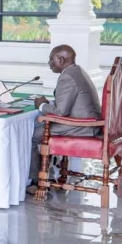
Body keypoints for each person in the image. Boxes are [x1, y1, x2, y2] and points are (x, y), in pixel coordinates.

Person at [29, 45, 102, 193]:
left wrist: (41, 105)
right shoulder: (77, 71)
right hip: (89, 123)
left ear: (61, 59)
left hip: (82, 126)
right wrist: (49, 104)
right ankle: (48, 174)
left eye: (51, 59)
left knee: (33, 134)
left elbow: (61, 112)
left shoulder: (67, 76)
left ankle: (38, 181)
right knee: (41, 128)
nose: (49, 63)